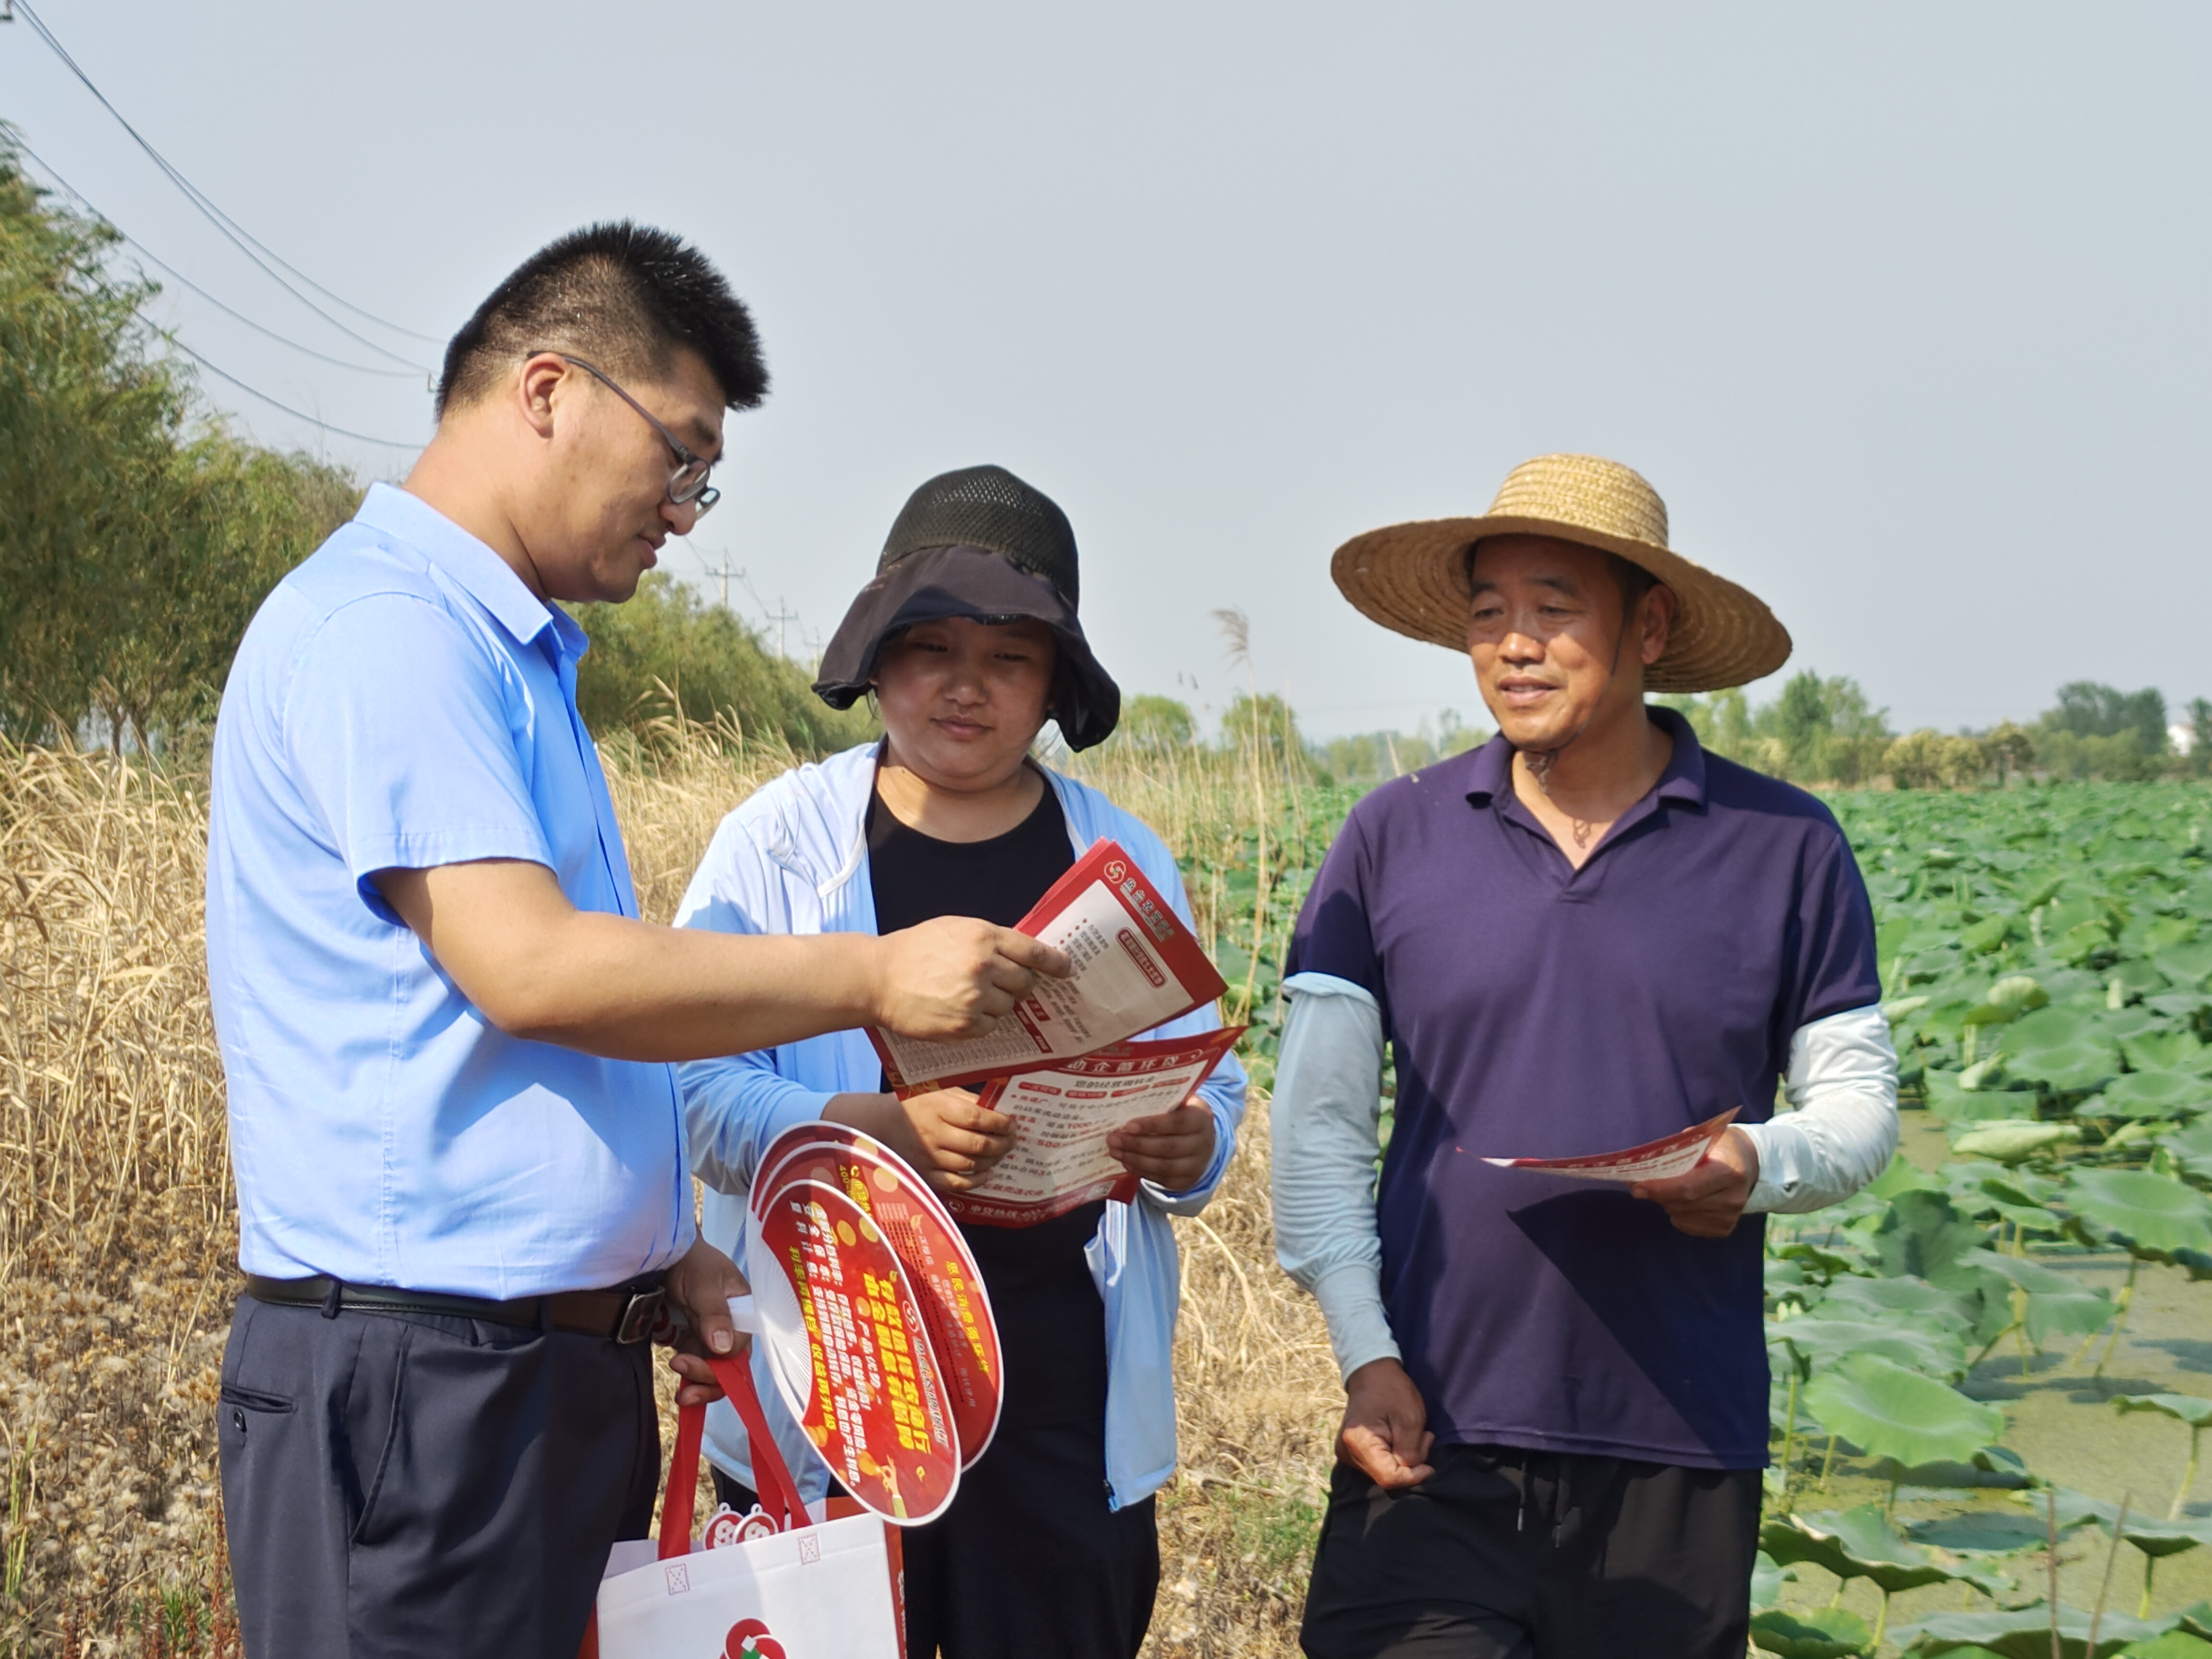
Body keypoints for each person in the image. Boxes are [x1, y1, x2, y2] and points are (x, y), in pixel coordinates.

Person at [204, 228, 1069, 1659]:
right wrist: (871, 972)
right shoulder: (388, 633)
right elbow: (535, 970)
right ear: (547, 389)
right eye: (677, 457)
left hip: (534, 1372)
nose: (683, 511)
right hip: (425, 1384)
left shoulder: (511, 657)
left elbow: (520, 1029)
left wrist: (655, 1255)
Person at [1272, 453, 1900, 1659]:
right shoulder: (1390, 837)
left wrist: (1755, 1163)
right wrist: (1367, 1353)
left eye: (1555, 610)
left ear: (1649, 624)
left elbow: (1862, 1111)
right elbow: (1318, 1134)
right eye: (1489, 614)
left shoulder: (1788, 848)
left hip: (1677, 1444)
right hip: (1431, 1425)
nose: (1515, 645)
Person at [673, 464, 1248, 1659]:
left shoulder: (1118, 851)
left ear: (1053, 685)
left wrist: (1194, 1142)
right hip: (837, 1364)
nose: (965, 687)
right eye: (930, 647)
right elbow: (686, 1086)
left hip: (1057, 1389)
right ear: (878, 658)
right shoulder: (778, 845)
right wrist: (873, 1132)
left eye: (1009, 658)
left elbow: (1205, 1074)